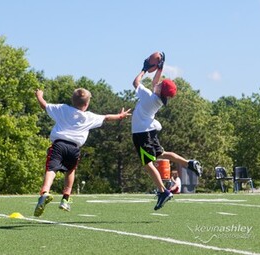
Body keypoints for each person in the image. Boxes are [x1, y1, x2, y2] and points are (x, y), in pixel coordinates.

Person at [33, 88, 131, 217]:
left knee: (51, 169)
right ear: (86, 104)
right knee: (70, 171)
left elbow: (44, 105)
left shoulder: (63, 109)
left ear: (72, 100)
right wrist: (120, 116)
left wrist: (39, 95)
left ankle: (45, 192)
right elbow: (107, 118)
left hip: (59, 145)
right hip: (74, 148)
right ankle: (65, 198)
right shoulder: (89, 116)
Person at [132, 52, 202, 210]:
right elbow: (156, 82)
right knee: (161, 154)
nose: (158, 83)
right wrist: (159, 68)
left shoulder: (149, 97)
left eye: (160, 84)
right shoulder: (156, 98)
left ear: (159, 89)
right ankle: (189, 163)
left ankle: (163, 191)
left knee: (147, 163)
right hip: (148, 132)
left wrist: (143, 69)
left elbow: (135, 82)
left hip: (142, 133)